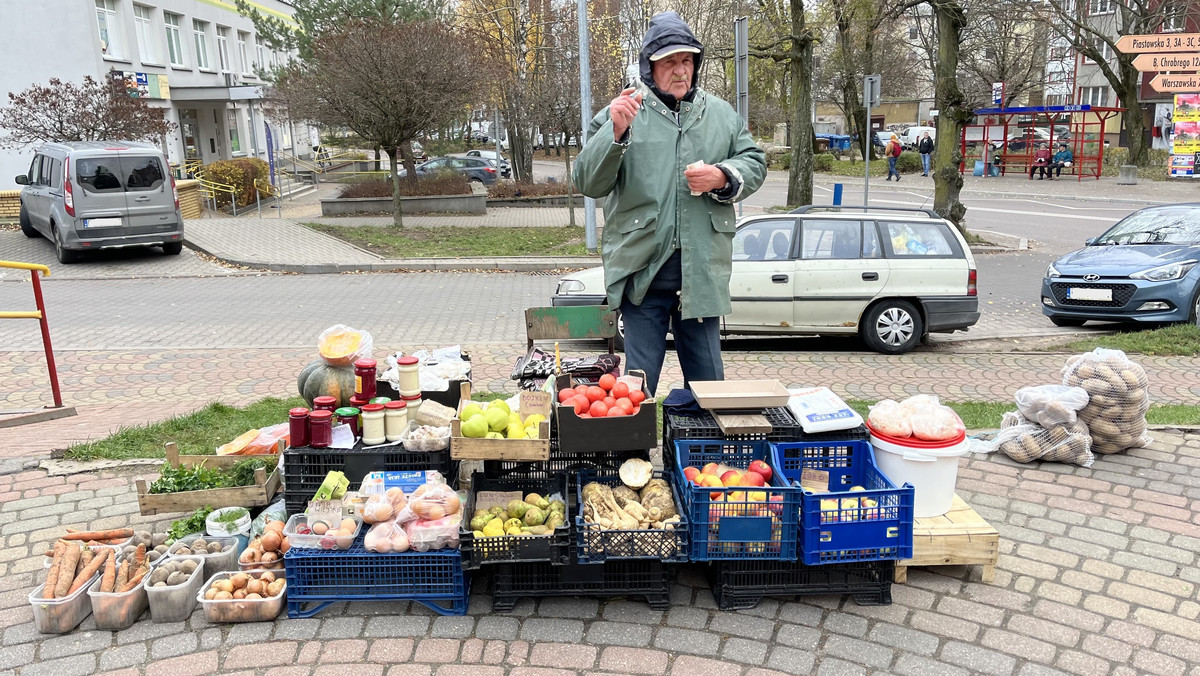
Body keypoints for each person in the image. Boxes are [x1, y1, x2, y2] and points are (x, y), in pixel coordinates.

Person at [572, 11, 766, 396]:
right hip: (643, 279)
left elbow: (754, 162)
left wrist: (723, 175)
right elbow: (588, 182)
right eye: (670, 62)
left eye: (687, 61)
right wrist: (614, 132)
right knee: (635, 393)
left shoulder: (721, 114)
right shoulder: (625, 111)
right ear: (650, 67)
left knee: (711, 389)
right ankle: (634, 455)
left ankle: (705, 455)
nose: (681, 71)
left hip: (702, 280)